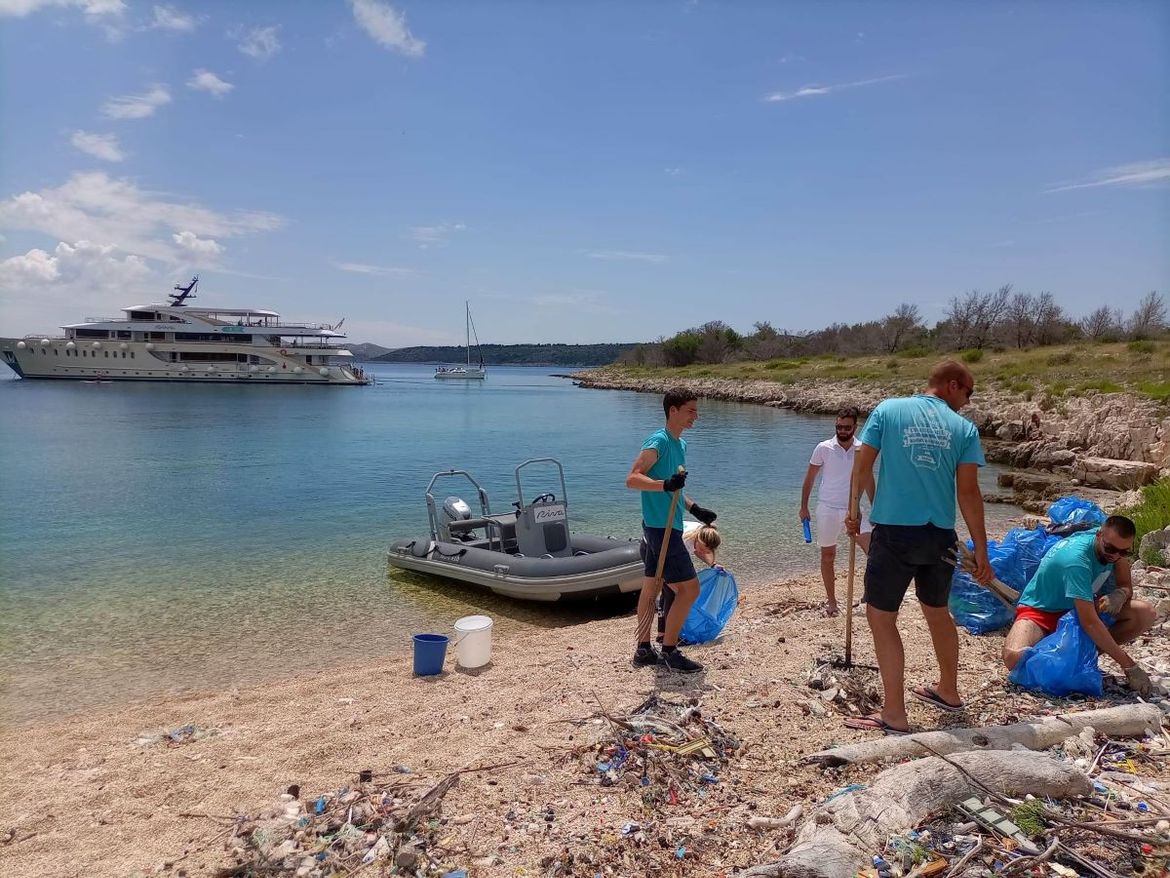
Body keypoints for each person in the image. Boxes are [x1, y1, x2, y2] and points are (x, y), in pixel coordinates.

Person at [844, 360, 993, 735]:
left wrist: (853, 511)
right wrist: (981, 549)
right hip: (939, 535)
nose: (968, 401)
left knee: (881, 618)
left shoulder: (888, 410)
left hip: (895, 532)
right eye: (969, 392)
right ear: (952, 385)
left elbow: (862, 467)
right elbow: (968, 493)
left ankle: (894, 713)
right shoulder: (963, 429)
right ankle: (949, 691)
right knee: (938, 612)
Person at [1002, 515, 1155, 695]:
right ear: (1098, 536)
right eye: (1110, 549)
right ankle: (1063, 653)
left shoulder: (1114, 547)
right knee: (1013, 658)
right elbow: (1089, 623)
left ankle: (1080, 655)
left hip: (1077, 609)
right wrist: (1129, 666)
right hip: (1041, 610)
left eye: (1124, 552)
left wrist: (1120, 594)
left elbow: (1125, 585)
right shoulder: (1077, 561)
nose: (1115, 556)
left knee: (1145, 614)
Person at [626, 388, 717, 673]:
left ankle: (643, 649)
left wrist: (695, 509)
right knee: (689, 589)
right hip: (660, 528)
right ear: (673, 411)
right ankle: (669, 650)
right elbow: (633, 479)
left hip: (664, 525)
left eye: (696, 411)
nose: (695, 416)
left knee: (651, 587)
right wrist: (664, 484)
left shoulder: (681, 444)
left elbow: (674, 490)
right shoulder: (659, 441)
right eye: (690, 410)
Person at [800, 406, 874, 616]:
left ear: (855, 427)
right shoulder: (823, 448)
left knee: (875, 552)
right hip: (827, 508)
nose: (842, 431)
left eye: (846, 427)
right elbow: (810, 479)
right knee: (828, 556)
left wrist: (876, 509)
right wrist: (803, 507)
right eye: (839, 427)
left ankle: (869, 595)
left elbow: (868, 479)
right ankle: (832, 602)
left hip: (853, 508)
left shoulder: (862, 449)